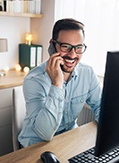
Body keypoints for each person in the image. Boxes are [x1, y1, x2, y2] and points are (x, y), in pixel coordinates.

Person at [18, 18, 102, 147]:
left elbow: (101, 106)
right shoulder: (34, 80)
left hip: (68, 139)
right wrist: (56, 84)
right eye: (66, 47)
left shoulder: (88, 73)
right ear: (52, 45)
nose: (73, 55)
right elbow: (45, 134)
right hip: (36, 144)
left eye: (78, 47)